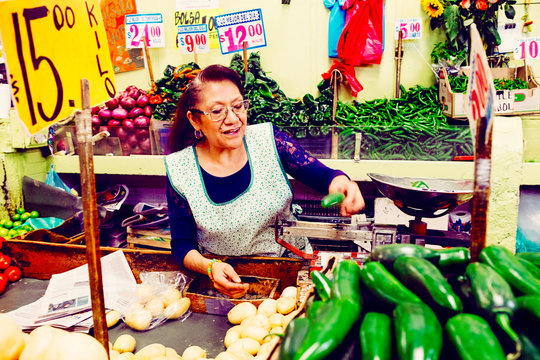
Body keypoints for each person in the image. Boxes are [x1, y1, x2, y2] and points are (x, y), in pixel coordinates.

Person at [165, 64, 365, 298]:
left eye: (238, 106)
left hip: (291, 274)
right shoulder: (180, 169)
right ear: (195, 120)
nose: (232, 119)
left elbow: (321, 175)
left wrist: (343, 184)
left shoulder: (268, 140)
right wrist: (211, 267)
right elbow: (182, 244)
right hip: (226, 283)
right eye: (217, 111)